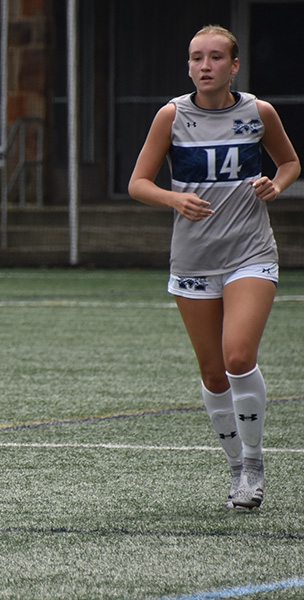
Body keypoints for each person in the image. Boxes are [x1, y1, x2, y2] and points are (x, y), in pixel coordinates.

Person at [128, 25, 300, 510]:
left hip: (250, 253)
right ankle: (235, 469)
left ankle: (254, 462)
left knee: (238, 356)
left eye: (216, 58)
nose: (205, 66)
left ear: (234, 65)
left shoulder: (257, 112)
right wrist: (172, 197)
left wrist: (276, 185)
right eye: (197, 58)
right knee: (213, 373)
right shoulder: (172, 115)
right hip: (194, 259)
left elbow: (290, 163)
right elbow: (138, 183)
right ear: (188, 66)